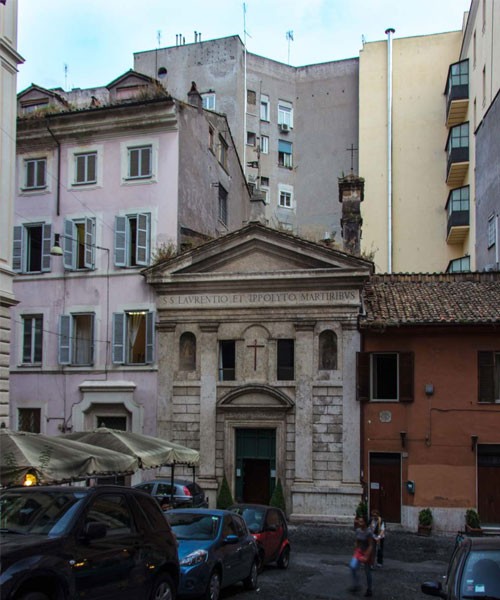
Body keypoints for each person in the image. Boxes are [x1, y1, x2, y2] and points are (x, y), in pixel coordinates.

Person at [349, 515, 375, 597]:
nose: (360, 523)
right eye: (359, 521)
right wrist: (355, 550)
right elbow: (357, 541)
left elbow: (371, 545)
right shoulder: (358, 530)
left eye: (361, 521)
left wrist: (367, 556)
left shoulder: (369, 532)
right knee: (352, 566)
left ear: (365, 522)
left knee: (367, 572)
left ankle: (369, 589)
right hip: (359, 551)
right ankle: (356, 585)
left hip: (367, 552)